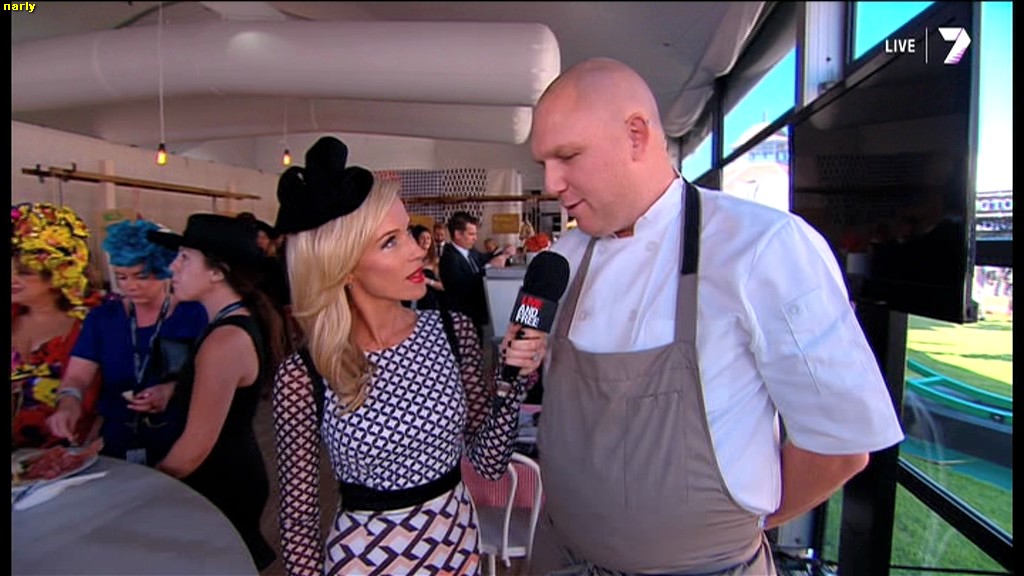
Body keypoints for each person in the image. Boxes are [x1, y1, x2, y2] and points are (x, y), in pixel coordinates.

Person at [529, 58, 905, 576]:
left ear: (636, 135)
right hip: (560, 559)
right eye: (544, 162)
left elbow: (840, 447)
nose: (551, 182)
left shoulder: (764, 247)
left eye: (568, 156)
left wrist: (718, 536)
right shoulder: (566, 256)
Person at [271, 136, 546, 576]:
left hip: (457, 551)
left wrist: (513, 378)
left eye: (408, 233)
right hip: (366, 562)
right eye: (390, 242)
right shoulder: (305, 374)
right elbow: (299, 519)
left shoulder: (452, 332)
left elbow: (489, 462)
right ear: (343, 266)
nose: (418, 249)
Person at [148, 214, 284, 571]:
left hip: (221, 482)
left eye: (185, 258)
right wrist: (174, 390)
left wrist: (144, 490)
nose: (173, 267)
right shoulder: (230, 324)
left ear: (217, 272)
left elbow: (195, 448)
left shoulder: (226, 340)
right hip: (229, 473)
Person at [47, 219, 208, 466]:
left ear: (164, 270)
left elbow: (211, 376)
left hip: (180, 436)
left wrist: (172, 389)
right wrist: (69, 403)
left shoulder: (194, 314)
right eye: (121, 277)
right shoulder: (103, 318)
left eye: (141, 276)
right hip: (117, 439)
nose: (130, 286)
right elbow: (78, 376)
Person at [11, 202, 100, 449]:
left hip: (72, 456)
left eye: (25, 271)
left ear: (58, 270)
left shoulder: (94, 322)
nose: (12, 278)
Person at [438, 211, 512, 338]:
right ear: (457, 234)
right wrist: (489, 267)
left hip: (477, 317)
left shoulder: (471, 252)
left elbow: (486, 258)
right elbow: (464, 287)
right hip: (462, 320)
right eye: (471, 234)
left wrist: (505, 253)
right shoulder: (449, 258)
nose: (475, 238)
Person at [411, 223, 444, 310]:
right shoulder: (410, 260)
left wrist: (428, 281)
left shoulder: (436, 261)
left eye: (428, 238)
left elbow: (444, 286)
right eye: (422, 238)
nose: (426, 240)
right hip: (409, 300)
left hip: (429, 304)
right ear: (417, 240)